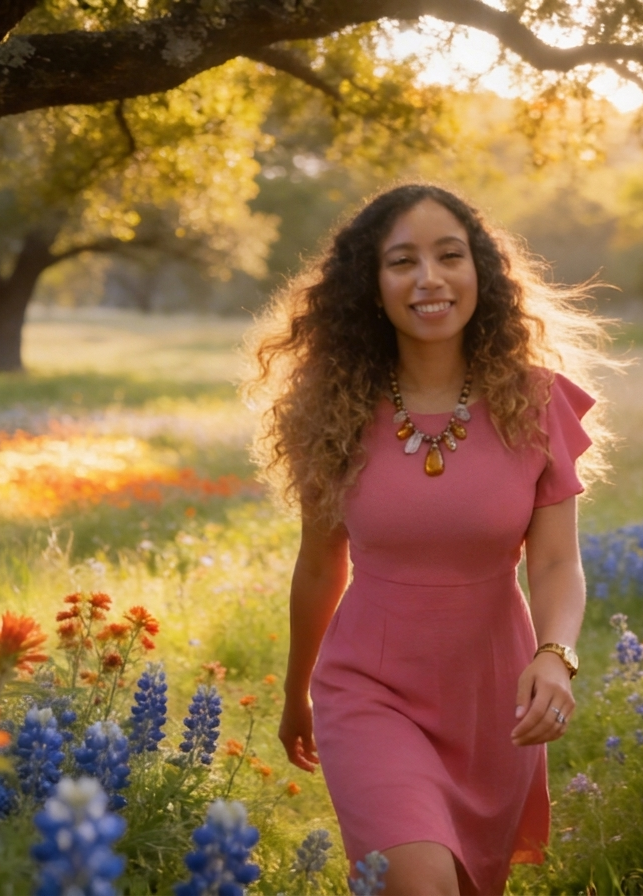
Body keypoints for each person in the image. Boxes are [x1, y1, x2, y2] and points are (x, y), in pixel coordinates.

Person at [243, 184, 612, 896]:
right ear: (370, 284)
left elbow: (556, 562)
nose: (429, 279)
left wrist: (555, 656)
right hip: (368, 687)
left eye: (449, 256)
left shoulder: (537, 402)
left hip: (493, 697)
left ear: (481, 272)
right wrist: (297, 693)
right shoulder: (333, 410)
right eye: (402, 261)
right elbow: (319, 568)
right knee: (419, 882)